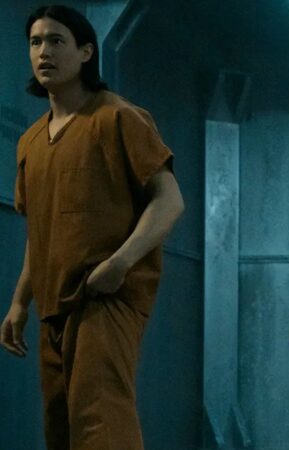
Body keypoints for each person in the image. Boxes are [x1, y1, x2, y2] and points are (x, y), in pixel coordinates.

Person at [0, 5, 184, 450]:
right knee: (62, 429)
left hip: (104, 298)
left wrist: (120, 263)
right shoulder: (30, 142)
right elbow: (41, 231)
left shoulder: (117, 117)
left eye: (56, 41)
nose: (44, 52)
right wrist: (19, 303)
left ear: (85, 52)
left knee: (102, 426)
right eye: (35, 42)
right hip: (52, 306)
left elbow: (170, 201)